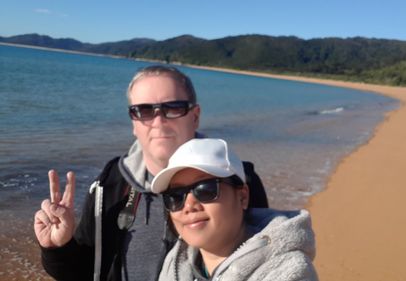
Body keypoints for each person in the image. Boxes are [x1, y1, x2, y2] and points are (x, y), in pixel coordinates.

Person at [33, 65, 268, 281]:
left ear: (195, 116)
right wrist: (59, 247)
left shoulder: (233, 180)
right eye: (144, 111)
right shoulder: (111, 181)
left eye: (173, 108)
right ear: (133, 123)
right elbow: (86, 271)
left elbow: (264, 256)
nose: (158, 121)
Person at [151, 138, 318, 281]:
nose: (189, 205)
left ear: (242, 196)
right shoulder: (174, 264)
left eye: (205, 189)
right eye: (175, 195)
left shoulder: (289, 270)